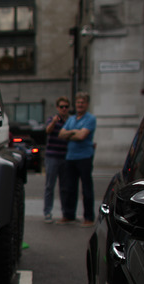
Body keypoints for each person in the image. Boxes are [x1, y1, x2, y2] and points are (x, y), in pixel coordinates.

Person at [57, 92, 96, 227]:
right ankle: (69, 215)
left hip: (84, 157)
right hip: (70, 157)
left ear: (87, 104)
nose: (80, 105)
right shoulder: (72, 119)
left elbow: (82, 136)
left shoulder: (90, 119)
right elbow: (61, 134)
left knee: (86, 188)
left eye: (83, 102)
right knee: (69, 188)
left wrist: (70, 134)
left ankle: (89, 218)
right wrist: (75, 132)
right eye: (78, 102)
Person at [42, 97, 71, 223]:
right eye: (61, 107)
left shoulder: (70, 121)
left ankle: (66, 214)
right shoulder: (52, 119)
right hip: (52, 156)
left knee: (65, 187)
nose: (64, 109)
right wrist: (54, 122)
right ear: (57, 108)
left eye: (66, 107)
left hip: (65, 156)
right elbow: (47, 131)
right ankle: (47, 212)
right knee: (50, 186)